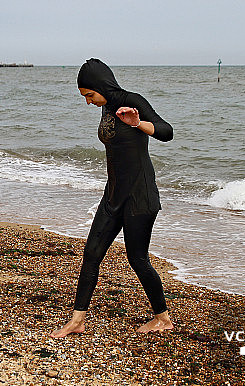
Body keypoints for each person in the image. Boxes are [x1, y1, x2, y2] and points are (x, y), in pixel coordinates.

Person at [51, 58, 175, 338]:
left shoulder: (132, 101)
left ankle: (163, 318)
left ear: (101, 86)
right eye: (85, 97)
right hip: (113, 194)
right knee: (91, 253)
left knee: (137, 258)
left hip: (140, 196)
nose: (88, 102)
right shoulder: (106, 106)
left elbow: (167, 132)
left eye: (90, 95)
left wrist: (138, 123)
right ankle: (77, 321)